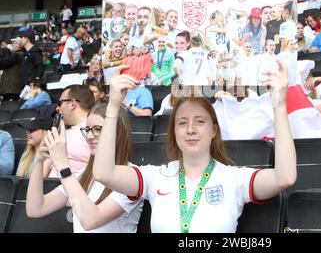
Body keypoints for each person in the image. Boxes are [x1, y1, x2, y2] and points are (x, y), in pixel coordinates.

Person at [92, 60, 296, 233]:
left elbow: (285, 177)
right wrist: (113, 105)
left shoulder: (235, 179)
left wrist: (279, 105)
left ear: (214, 130)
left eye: (200, 121)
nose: (190, 129)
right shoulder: (154, 177)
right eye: (182, 122)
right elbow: (103, 173)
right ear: (173, 132)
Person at [26, 102, 143, 232]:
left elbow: (91, 221)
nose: (89, 136)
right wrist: (39, 160)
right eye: (87, 130)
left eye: (98, 129)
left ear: (117, 132)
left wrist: (62, 164)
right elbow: (35, 209)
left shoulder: (133, 176)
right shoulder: (85, 174)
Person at [49, 85, 95, 177]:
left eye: (59, 103)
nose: (57, 108)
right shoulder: (64, 131)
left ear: (72, 104)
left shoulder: (94, 133)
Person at [16, 106, 55, 177]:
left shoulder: (52, 157)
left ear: (45, 132)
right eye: (27, 129)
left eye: (32, 129)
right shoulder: (26, 155)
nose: (27, 132)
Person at [0, 37, 23, 101]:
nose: (12, 44)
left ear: (19, 45)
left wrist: (4, 49)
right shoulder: (17, 54)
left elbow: (4, 63)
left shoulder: (16, 55)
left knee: (10, 106)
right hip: (11, 88)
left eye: (14, 43)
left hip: (12, 89)